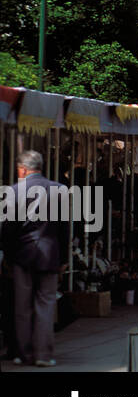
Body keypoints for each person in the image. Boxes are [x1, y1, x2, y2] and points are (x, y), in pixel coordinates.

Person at [2, 151, 69, 366]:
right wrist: (64, 258)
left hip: (22, 256)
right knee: (46, 304)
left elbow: (7, 229)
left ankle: (24, 353)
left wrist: (8, 255)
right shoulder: (60, 190)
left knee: (22, 307)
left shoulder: (14, 191)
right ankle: (43, 354)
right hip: (50, 254)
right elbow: (66, 228)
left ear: (22, 169)